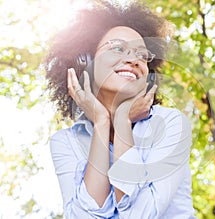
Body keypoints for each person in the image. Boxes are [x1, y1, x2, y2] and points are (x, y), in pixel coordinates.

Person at [45, 1, 196, 218]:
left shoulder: (171, 123)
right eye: (117, 48)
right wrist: (102, 123)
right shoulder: (65, 142)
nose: (134, 60)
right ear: (85, 61)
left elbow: (140, 214)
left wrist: (123, 119)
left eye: (142, 55)